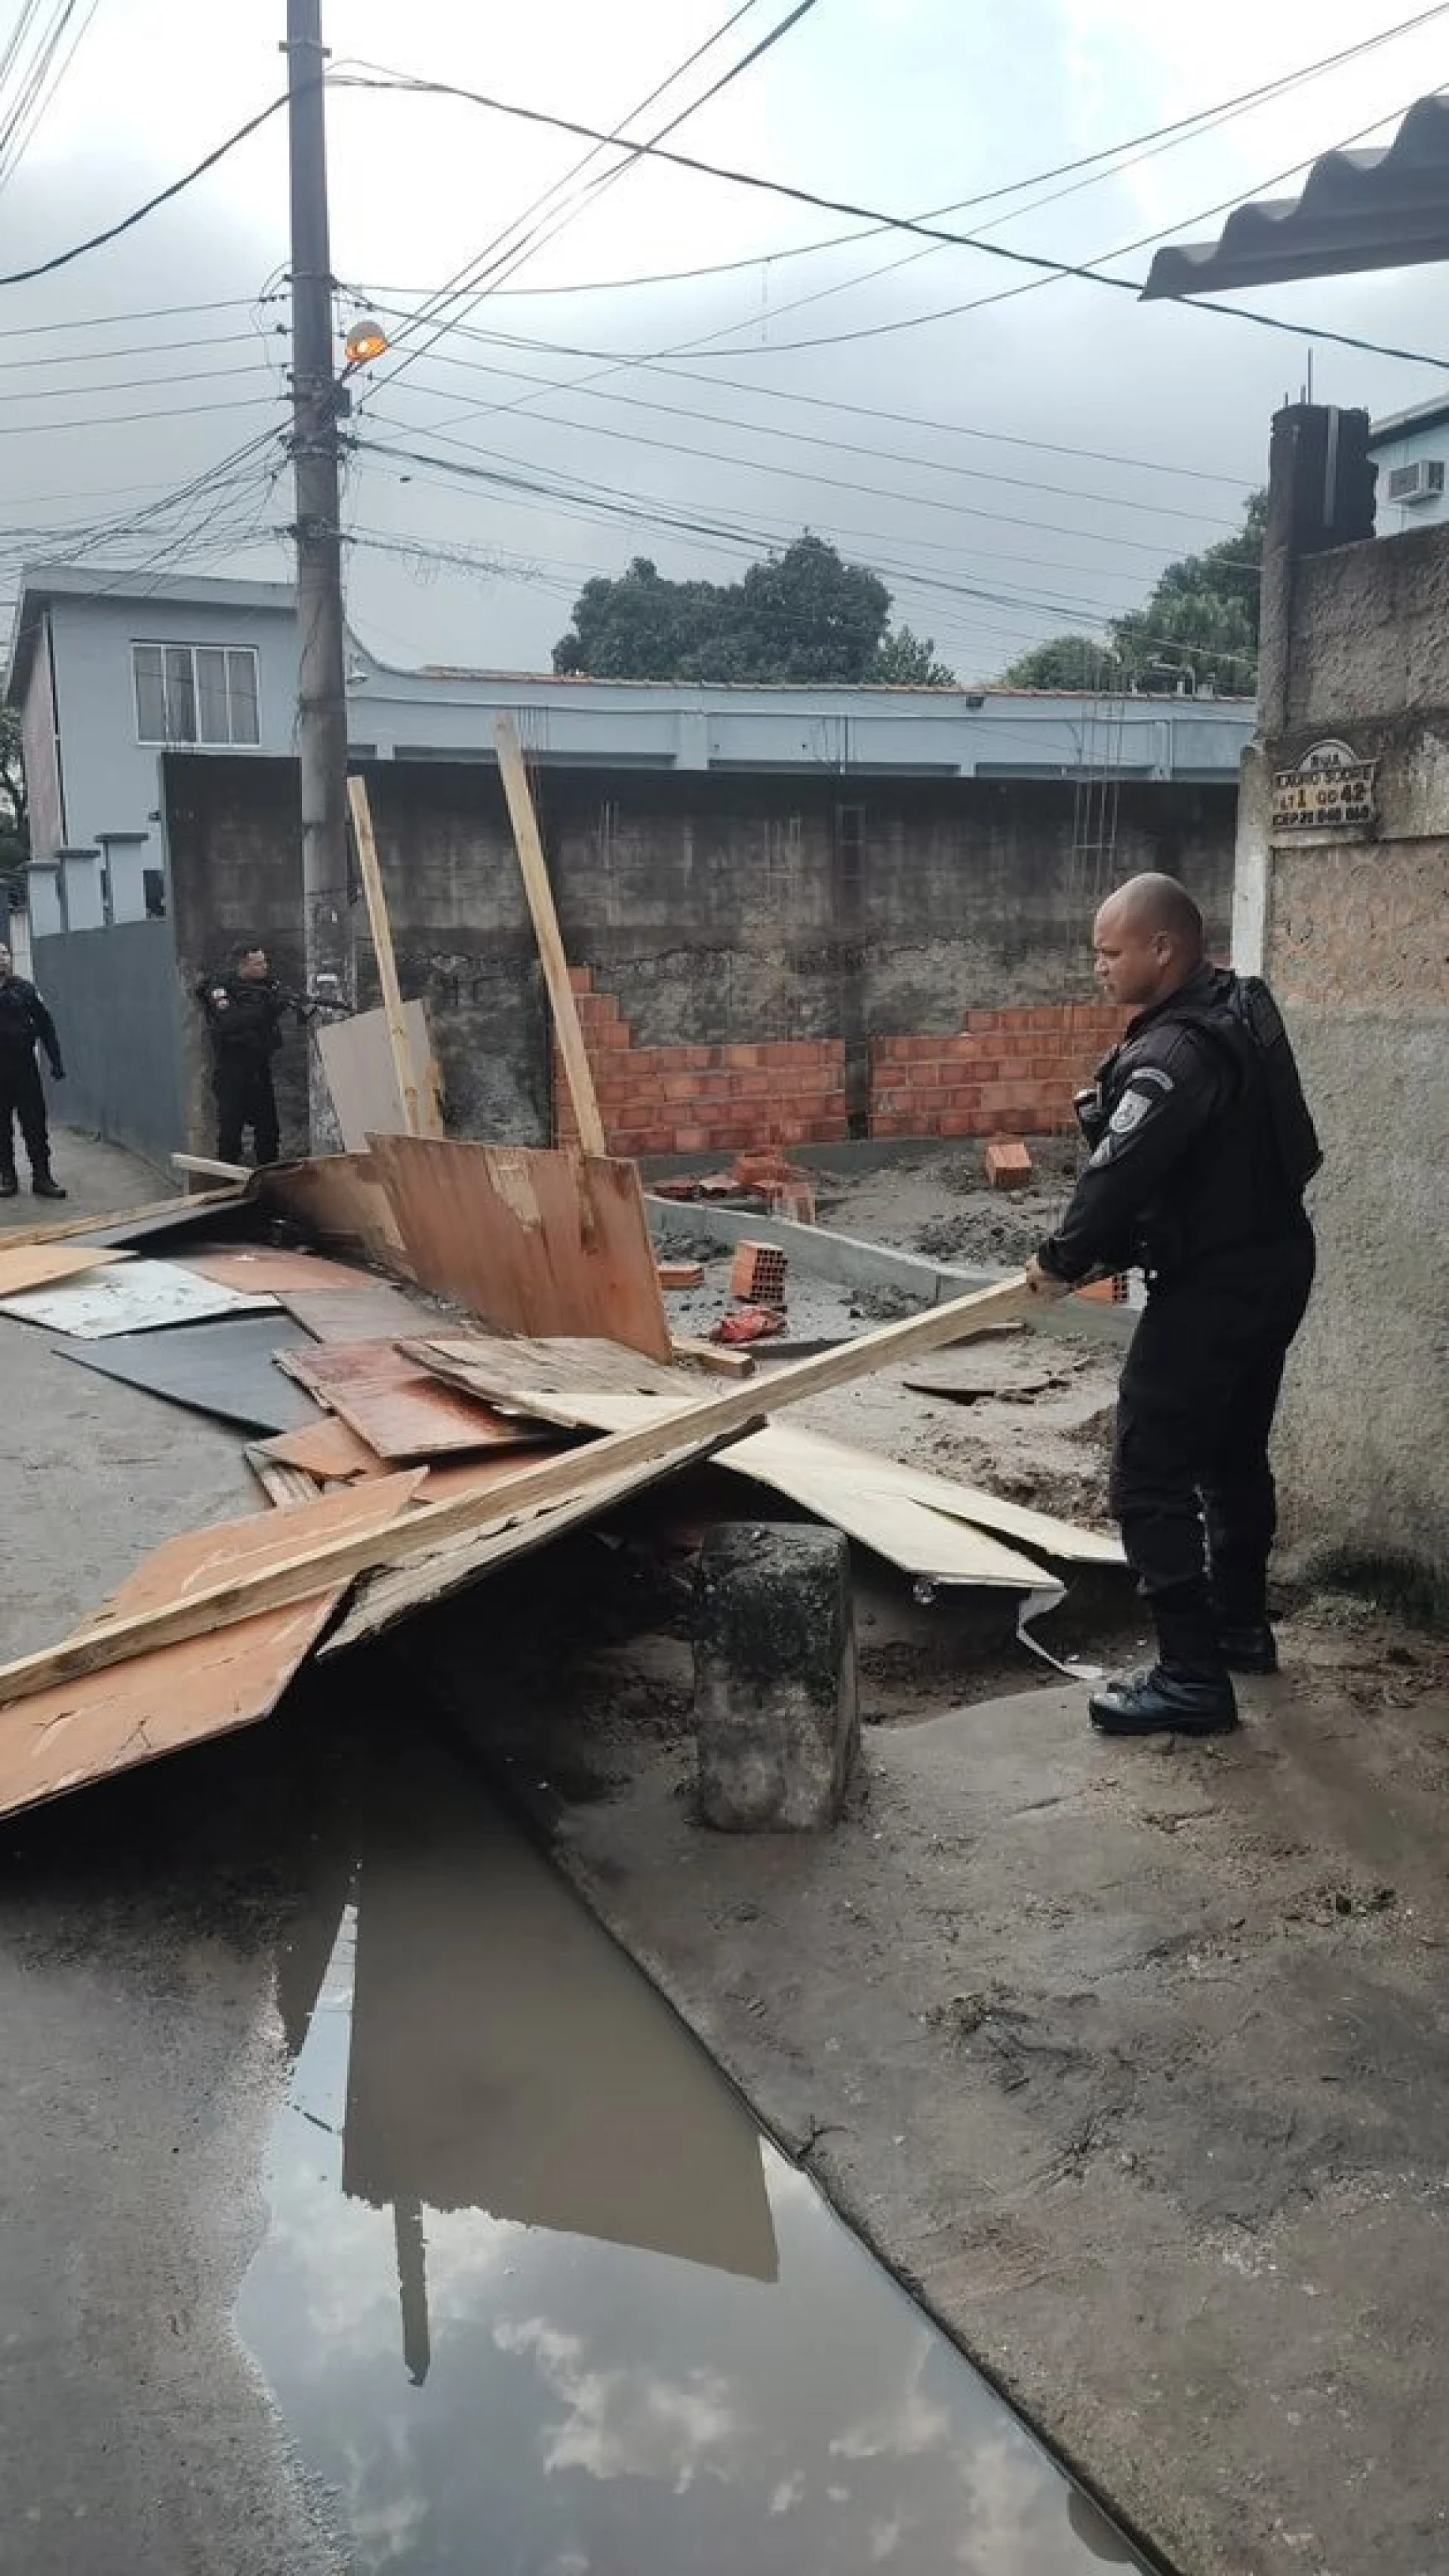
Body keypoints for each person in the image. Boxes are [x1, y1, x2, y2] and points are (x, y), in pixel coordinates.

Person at [1026, 873, 1320, 1739]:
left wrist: (1059, 1261)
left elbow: (1117, 1175)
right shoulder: (1238, 1005)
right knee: (1232, 1454)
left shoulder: (1173, 1055)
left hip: (1217, 1284)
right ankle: (1238, 1629)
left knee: (1148, 1469)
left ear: (1164, 947)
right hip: (1276, 1261)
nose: (1099, 968)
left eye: (1110, 952)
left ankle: (1191, 1675)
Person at [195, 944, 293, 1167]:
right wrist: (267, 1010)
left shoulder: (268, 987)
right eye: (258, 963)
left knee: (268, 1129)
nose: (265, 967)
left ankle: (268, 1176)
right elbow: (230, 1021)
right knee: (231, 1129)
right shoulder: (221, 987)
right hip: (232, 1068)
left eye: (265, 962)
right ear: (243, 965)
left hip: (259, 1067)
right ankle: (226, 1183)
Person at [0, 942, 66, 1199]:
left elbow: (46, 1025)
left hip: (25, 1069)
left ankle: (42, 1177)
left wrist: (56, 1061)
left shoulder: (25, 990)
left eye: (4, 953)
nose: (1, 958)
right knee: (1, 1129)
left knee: (35, 1124)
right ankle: (7, 1176)